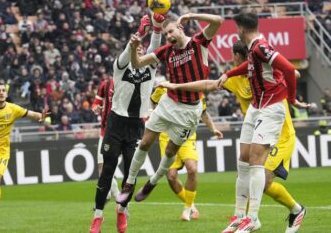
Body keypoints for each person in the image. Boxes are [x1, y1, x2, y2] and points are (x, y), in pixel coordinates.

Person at [160, 40, 309, 233]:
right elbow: (209, 84)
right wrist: (176, 86)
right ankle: (261, 216)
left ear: (239, 56)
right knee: (251, 176)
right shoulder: (237, 77)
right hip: (256, 131)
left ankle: (272, 215)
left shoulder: (266, 70)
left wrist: (287, 85)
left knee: (261, 178)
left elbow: (293, 73)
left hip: (280, 135)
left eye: (234, 56)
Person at [116, 12, 223, 205]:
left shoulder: (198, 42)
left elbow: (218, 21)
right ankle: (129, 183)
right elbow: (138, 63)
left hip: (189, 111)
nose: (168, 36)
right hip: (168, 104)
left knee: (170, 153)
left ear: (180, 28)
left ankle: (153, 182)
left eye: (171, 31)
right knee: (145, 143)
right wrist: (133, 48)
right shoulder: (166, 51)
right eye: (165, 34)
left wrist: (190, 15)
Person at [217, 12, 309, 233]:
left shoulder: (260, 47)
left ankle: (252, 217)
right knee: (244, 159)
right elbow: (249, 68)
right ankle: (239, 217)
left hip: (270, 108)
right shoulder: (252, 50)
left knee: (256, 162)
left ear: (240, 28)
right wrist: (228, 74)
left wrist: (292, 99)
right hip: (256, 108)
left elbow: (287, 69)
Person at [90, 14, 165, 233]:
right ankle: (97, 217)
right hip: (115, 124)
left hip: (135, 127)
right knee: (107, 170)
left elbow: (155, 47)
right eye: (137, 50)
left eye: (143, 50)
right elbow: (126, 53)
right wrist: (138, 36)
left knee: (130, 175)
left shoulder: (150, 68)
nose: (141, 51)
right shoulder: (120, 67)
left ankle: (121, 211)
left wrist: (157, 28)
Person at [0, 82, 47, 227]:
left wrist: (41, 116)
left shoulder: (13, 109)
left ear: (6, 94)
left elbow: (30, 114)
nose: (1, 93)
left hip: (1, 152)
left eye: (3, 91)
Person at [151, 85, 223, 221]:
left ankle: (187, 209)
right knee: (171, 177)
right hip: (167, 137)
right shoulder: (162, 89)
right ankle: (192, 207)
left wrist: (213, 129)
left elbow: (204, 113)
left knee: (192, 169)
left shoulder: (196, 91)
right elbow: (153, 103)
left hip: (187, 135)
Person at [91, 75, 119, 202]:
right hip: (104, 131)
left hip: (120, 133)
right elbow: (96, 103)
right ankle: (110, 195)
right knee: (101, 167)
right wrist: (96, 108)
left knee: (108, 167)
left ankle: (118, 198)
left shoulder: (131, 83)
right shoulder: (106, 84)